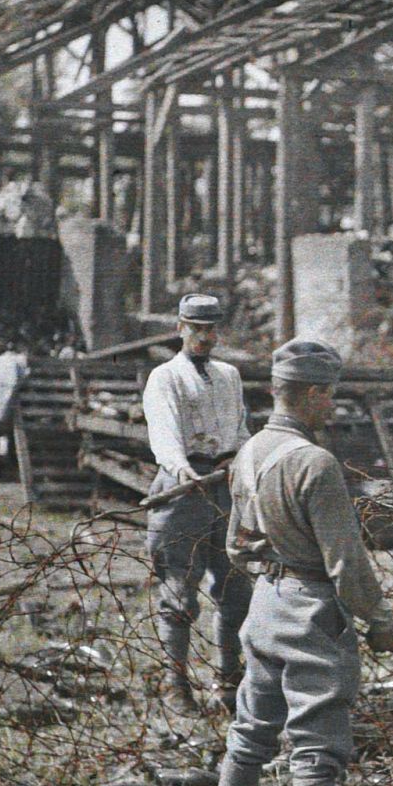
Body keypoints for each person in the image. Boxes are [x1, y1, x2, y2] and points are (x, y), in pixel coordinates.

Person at [202, 339, 393, 786]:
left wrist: (274, 565)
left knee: (250, 735)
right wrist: (378, 620)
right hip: (312, 616)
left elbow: (237, 548)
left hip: (264, 609)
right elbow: (346, 562)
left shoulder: (249, 453)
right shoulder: (316, 463)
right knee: (315, 747)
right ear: (310, 394)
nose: (332, 406)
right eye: (329, 395)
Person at [143, 292, 254, 712]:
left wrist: (237, 456)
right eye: (196, 329)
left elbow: (240, 428)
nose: (205, 337)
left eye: (211, 330)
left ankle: (227, 682)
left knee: (234, 586)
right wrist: (180, 468)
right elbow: (164, 434)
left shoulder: (229, 375)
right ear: (180, 329)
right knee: (179, 592)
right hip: (182, 488)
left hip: (223, 487)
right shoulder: (165, 377)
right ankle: (176, 684)